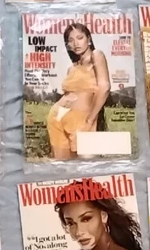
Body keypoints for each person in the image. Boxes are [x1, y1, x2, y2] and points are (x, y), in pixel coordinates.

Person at [46, 23, 111, 160]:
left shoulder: (96, 55)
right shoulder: (72, 68)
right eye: (70, 40)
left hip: (83, 121)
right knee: (63, 168)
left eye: (80, 38)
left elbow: (104, 88)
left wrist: (90, 120)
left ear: (89, 39)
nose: (76, 43)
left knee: (88, 167)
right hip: (57, 119)